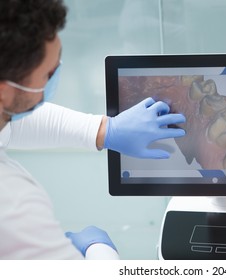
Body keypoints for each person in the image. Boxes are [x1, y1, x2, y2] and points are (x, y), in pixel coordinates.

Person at [0, 0, 185, 259]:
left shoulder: (6, 105)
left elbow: (11, 121)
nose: (54, 78)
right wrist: (100, 249)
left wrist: (104, 130)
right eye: (47, 74)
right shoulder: (12, 205)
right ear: (5, 91)